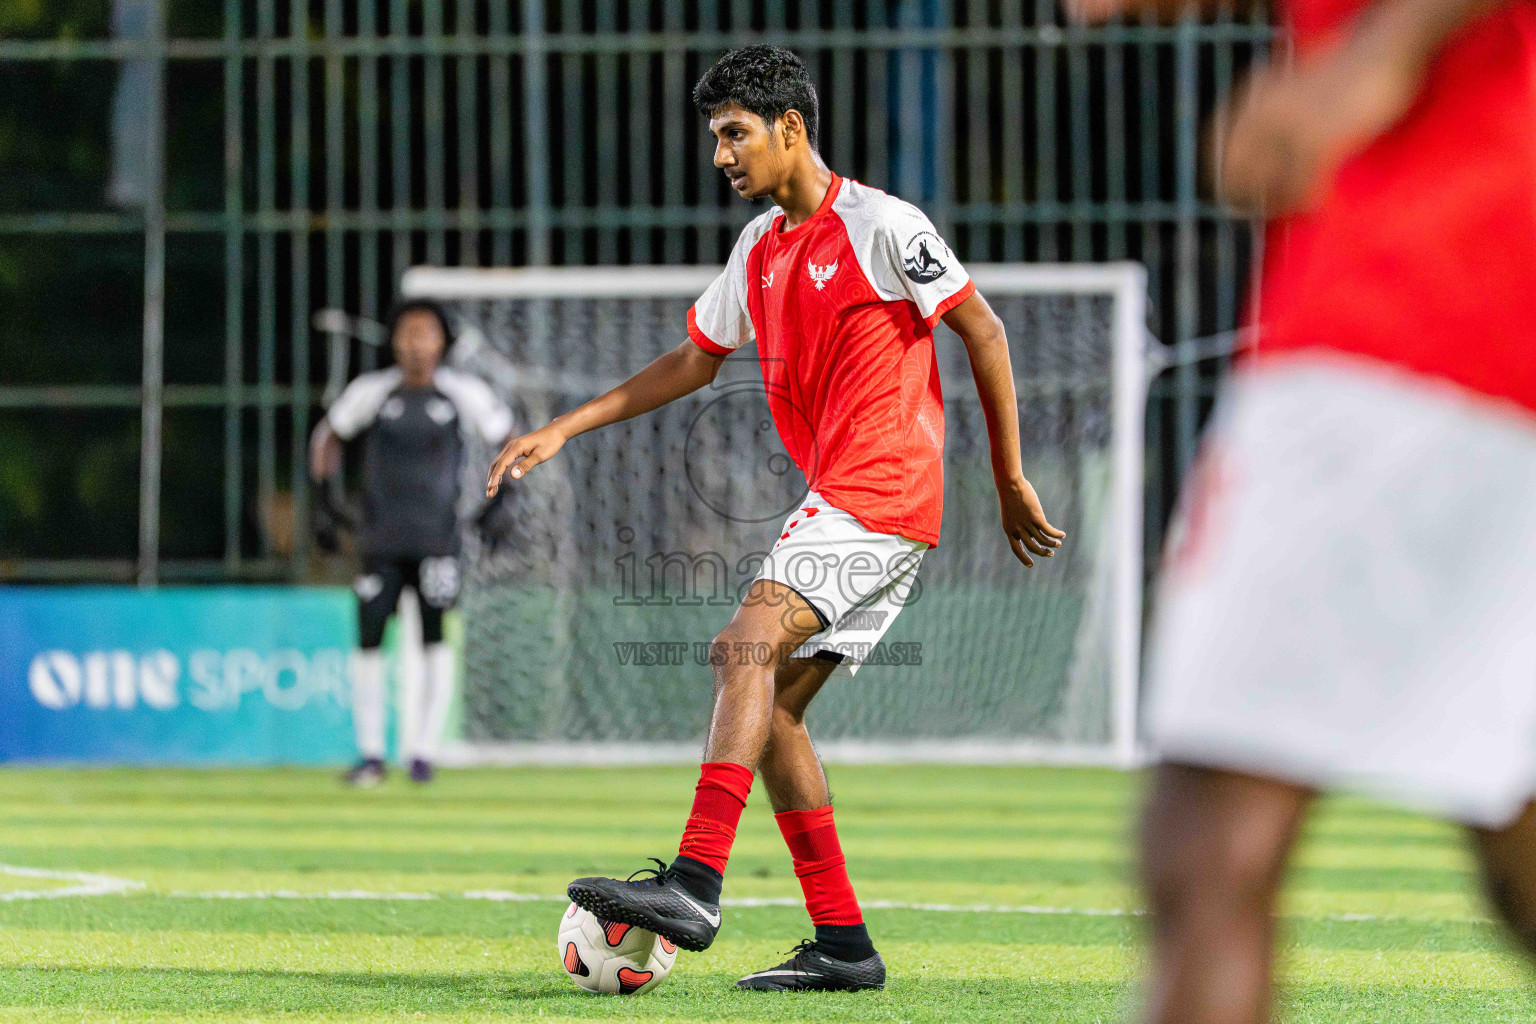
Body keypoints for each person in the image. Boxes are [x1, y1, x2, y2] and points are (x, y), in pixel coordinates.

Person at [486, 45, 1066, 992]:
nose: (721, 153)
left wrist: (1008, 478)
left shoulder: (882, 223)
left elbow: (983, 329)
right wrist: (566, 426)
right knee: (780, 712)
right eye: (715, 136)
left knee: (741, 646)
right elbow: (694, 360)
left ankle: (697, 882)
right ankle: (844, 946)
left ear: (790, 127)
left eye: (734, 133)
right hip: (860, 501)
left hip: (877, 487)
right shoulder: (758, 247)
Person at [1066, 0, 1536, 1018]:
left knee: (1210, 826)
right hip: (1472, 277)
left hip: (1427, 273)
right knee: (1514, 820)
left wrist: (1376, 53)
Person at [310, 300, 512, 787]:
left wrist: (502, 502)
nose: (414, 343)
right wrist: (323, 502)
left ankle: (423, 752)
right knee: (369, 641)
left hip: (438, 539)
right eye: (405, 333)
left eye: (424, 333)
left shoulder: (462, 391)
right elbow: (327, 438)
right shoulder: (372, 392)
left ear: (441, 341)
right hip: (379, 539)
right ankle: (371, 755)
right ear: (393, 340)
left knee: (434, 638)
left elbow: (508, 438)